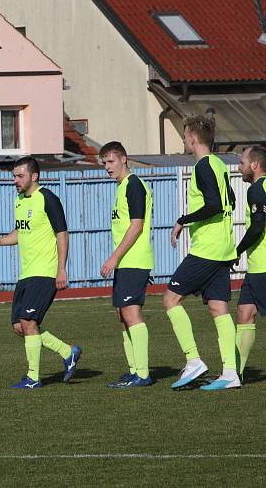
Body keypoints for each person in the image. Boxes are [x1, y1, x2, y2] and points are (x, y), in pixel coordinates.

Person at [0, 156, 81, 389]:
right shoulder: (20, 200)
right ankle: (68, 351)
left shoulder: (47, 198)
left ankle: (33, 378)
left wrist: (61, 269)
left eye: (20, 176)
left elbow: (62, 234)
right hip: (26, 273)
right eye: (14, 176)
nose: (15, 181)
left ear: (34, 176)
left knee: (28, 321)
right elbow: (21, 232)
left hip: (45, 271)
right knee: (19, 327)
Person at [163, 115, 238, 390]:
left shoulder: (203, 166)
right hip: (223, 246)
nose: (184, 140)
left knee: (171, 299)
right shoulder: (219, 164)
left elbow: (216, 204)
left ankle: (193, 360)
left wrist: (184, 219)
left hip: (207, 249)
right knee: (219, 307)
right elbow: (230, 199)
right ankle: (230, 372)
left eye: (185, 135)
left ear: (193, 137)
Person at [99, 141, 155, 387]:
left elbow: (137, 225)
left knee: (131, 313)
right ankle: (134, 370)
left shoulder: (133, 185)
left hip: (133, 260)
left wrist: (114, 257)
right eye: (104, 163)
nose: (107, 168)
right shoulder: (122, 187)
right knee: (122, 315)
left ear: (124, 159)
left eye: (111, 162)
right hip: (126, 262)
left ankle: (142, 373)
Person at [234, 145, 266, 379]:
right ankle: (237, 372)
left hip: (263, 268)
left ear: (254, 165)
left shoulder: (256, 190)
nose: (240, 166)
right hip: (256, 268)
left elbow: (257, 226)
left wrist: (237, 250)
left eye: (243, 162)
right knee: (245, 312)